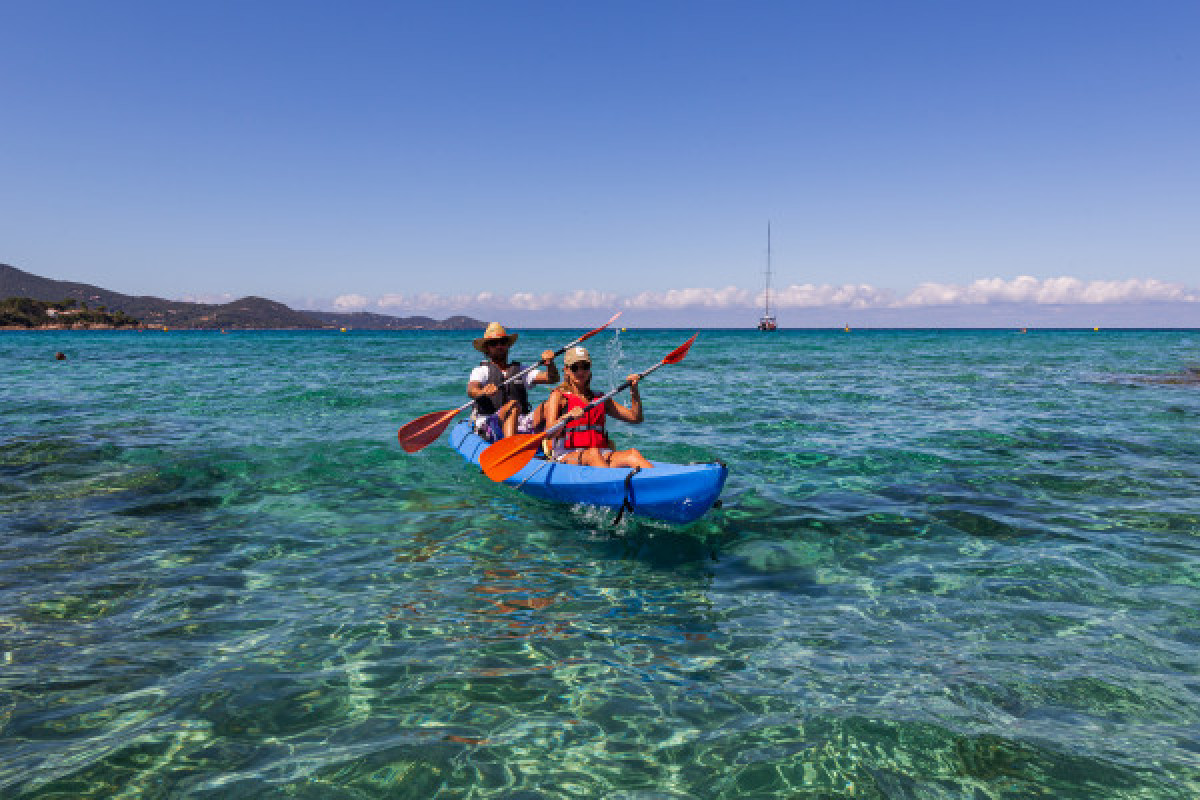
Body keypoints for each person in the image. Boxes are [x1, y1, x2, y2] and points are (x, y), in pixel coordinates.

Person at [543, 345, 653, 468]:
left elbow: (635, 418)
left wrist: (634, 389)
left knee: (633, 454)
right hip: (567, 455)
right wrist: (568, 416)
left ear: (589, 369)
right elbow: (549, 433)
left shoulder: (600, 398)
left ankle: (660, 483)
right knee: (593, 454)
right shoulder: (558, 396)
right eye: (575, 368)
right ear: (567, 370)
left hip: (601, 453)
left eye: (585, 367)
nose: (580, 372)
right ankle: (613, 484)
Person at [467, 322, 558, 441]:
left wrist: (550, 364)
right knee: (513, 405)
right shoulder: (481, 371)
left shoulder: (521, 370)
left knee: (550, 404)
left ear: (508, 345)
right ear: (487, 348)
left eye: (503, 342)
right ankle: (510, 447)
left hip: (520, 421)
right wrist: (483, 391)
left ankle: (552, 447)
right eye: (494, 343)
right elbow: (471, 389)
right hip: (492, 422)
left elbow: (552, 378)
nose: (499, 346)